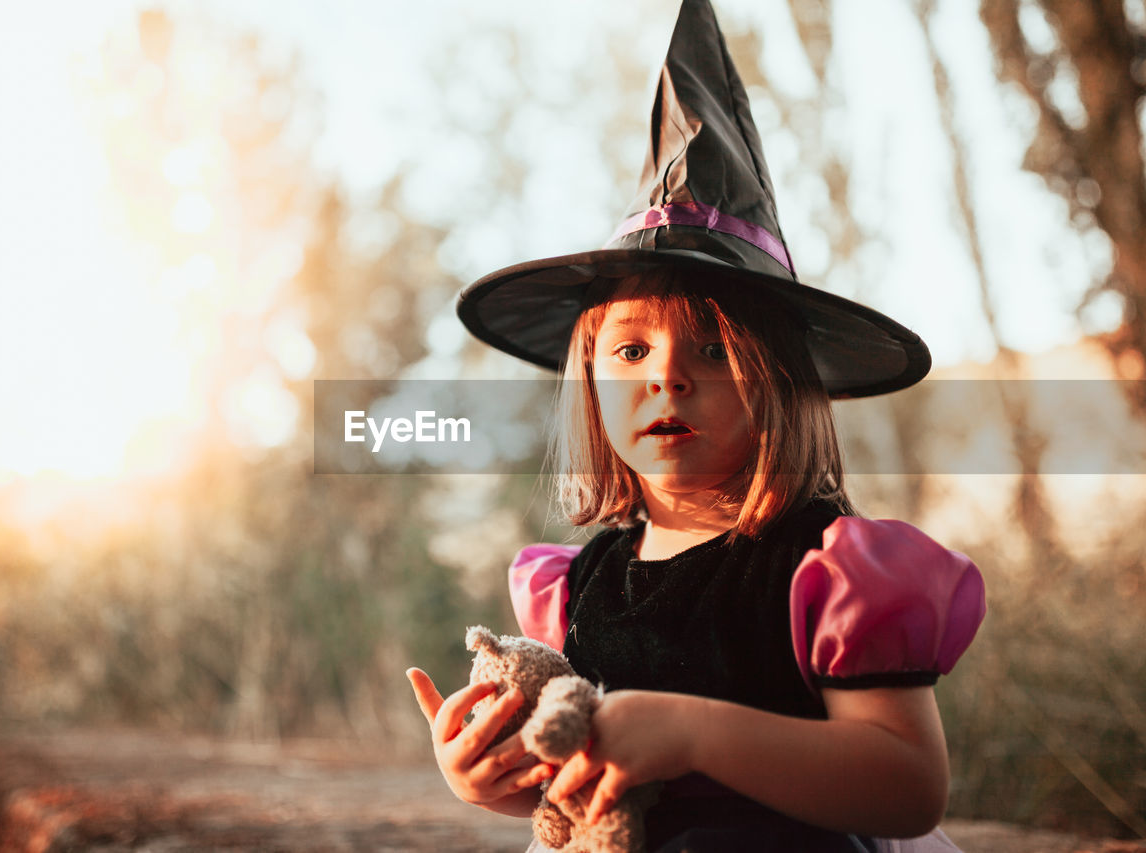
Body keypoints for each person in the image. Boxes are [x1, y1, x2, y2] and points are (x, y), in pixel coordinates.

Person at [408, 1, 986, 850]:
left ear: (781, 381)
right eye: (632, 348)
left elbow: (908, 786)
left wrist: (692, 733)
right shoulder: (573, 590)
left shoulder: (827, 575)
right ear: (591, 380)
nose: (669, 375)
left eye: (715, 349)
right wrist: (492, 778)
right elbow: (581, 788)